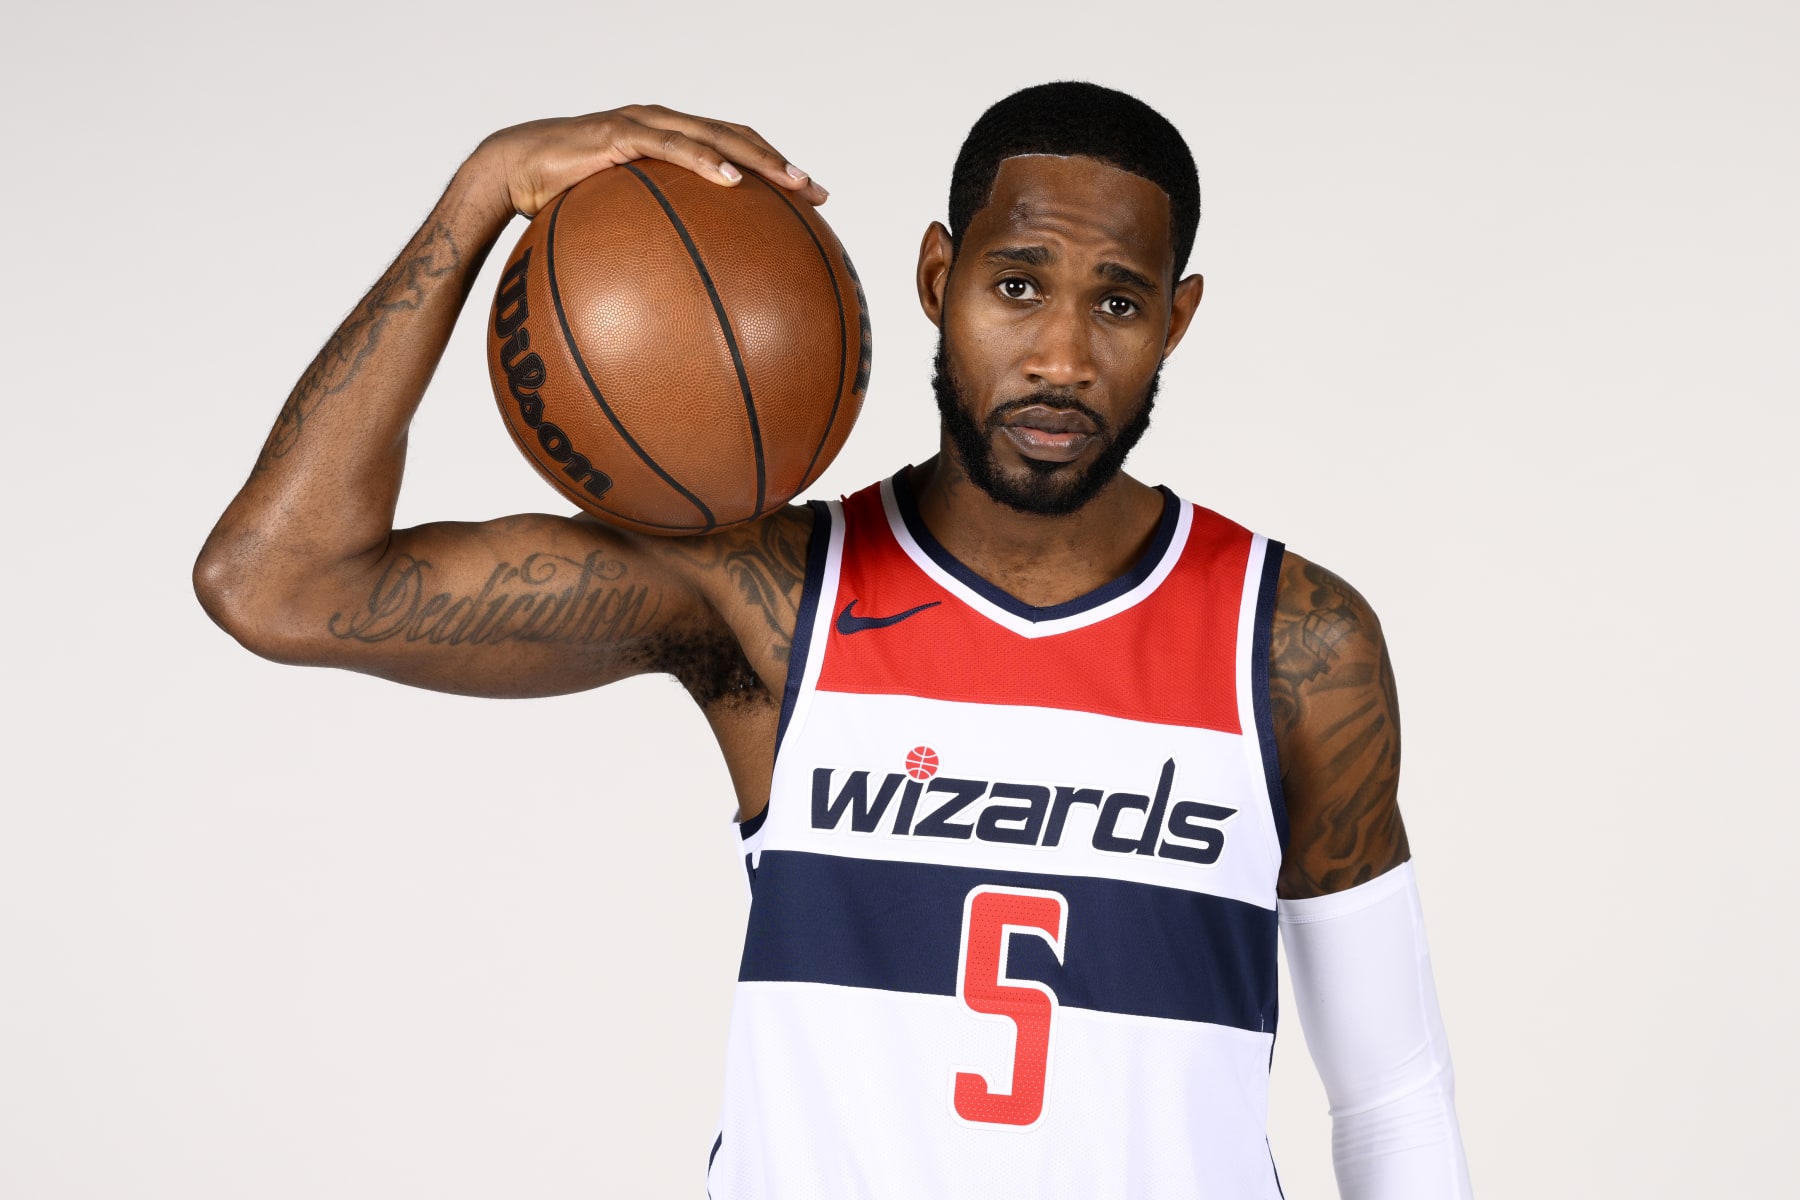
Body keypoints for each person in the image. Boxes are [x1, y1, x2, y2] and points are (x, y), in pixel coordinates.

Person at [195, 82, 1472, 1199]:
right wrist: (479, 195)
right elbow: (282, 582)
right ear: (936, 277)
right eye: (1017, 284)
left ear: (1176, 321)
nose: (1064, 355)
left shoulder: (1296, 641)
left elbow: (1390, 1100)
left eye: (1121, 304)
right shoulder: (764, 601)